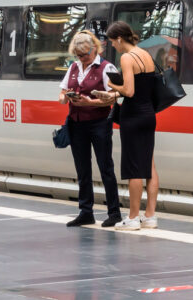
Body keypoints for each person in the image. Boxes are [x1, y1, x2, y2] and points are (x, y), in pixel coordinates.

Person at [58, 30, 122, 228]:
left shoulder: (106, 67)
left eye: (84, 55)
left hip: (99, 123)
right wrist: (66, 97)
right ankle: (86, 212)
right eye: (78, 55)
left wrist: (90, 101)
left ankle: (114, 213)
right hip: (77, 123)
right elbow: (62, 93)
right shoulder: (74, 67)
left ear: (94, 49)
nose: (81, 59)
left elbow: (114, 95)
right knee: (82, 169)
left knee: (105, 167)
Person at [105, 21, 160, 231]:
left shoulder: (127, 57)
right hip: (149, 114)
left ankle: (133, 217)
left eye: (113, 42)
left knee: (135, 167)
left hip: (133, 117)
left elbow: (128, 91)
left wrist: (111, 86)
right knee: (149, 165)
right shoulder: (145, 54)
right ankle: (150, 216)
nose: (113, 46)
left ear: (119, 39)